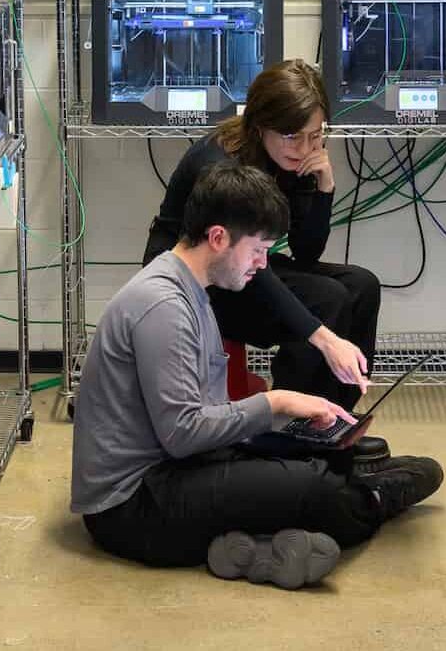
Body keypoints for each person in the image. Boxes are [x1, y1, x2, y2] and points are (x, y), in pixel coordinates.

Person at [74, 161, 444, 589]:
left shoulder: (187, 289)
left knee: (312, 461)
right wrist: (277, 402)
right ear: (218, 238)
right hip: (133, 508)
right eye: (257, 250)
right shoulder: (164, 308)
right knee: (317, 487)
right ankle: (372, 499)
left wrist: (279, 429)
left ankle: (251, 544)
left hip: (174, 470)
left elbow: (200, 423)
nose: (262, 264)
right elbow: (183, 432)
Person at [144, 60, 386, 452]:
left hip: (243, 268)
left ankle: (332, 424)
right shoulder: (220, 164)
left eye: (315, 136)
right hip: (198, 285)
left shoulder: (295, 158)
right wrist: (324, 339)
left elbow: (306, 252)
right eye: (292, 136)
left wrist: (324, 186)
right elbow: (253, 272)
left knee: (361, 285)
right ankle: (289, 430)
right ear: (260, 125)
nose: (305, 148)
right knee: (328, 300)